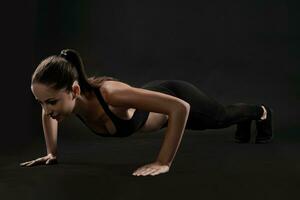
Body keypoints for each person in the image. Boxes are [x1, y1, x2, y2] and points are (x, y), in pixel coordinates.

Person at [20, 49, 274, 176]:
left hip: (175, 96)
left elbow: (180, 107)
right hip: (162, 113)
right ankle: (246, 122)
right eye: (40, 103)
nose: (46, 110)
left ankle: (260, 112)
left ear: (74, 90)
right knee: (220, 119)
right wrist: (52, 153)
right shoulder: (63, 105)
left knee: (220, 118)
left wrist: (163, 162)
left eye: (50, 102)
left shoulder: (110, 95)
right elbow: (47, 114)